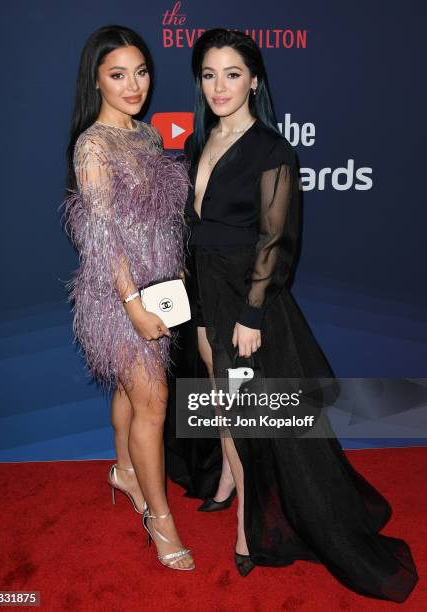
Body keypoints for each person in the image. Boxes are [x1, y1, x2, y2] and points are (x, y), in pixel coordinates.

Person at [166, 28, 418, 599]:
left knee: (248, 410)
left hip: (242, 298)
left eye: (232, 74)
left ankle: (248, 522)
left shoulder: (272, 150)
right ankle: (229, 472)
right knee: (215, 394)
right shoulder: (197, 142)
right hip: (203, 293)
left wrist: (253, 315)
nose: (219, 86)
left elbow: (277, 241)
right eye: (208, 74)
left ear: (255, 80)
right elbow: (194, 227)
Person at [63, 25, 194, 571]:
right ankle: (160, 519)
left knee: (129, 389)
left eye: (141, 72)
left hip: (156, 286)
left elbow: (157, 219)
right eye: (118, 75)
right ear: (96, 81)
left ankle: (123, 470)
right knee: (154, 403)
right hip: (119, 295)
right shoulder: (92, 144)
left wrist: (173, 272)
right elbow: (103, 233)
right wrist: (133, 304)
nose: (134, 84)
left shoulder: (145, 135)